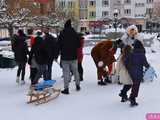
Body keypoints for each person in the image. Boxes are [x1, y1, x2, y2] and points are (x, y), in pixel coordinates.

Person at [57, 19, 80, 94]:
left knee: (66, 73)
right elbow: (79, 44)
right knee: (76, 71)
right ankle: (77, 85)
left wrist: (60, 51)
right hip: (74, 56)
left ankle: (66, 89)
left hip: (65, 57)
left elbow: (58, 45)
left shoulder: (62, 33)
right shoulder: (75, 33)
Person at [124, 40, 149, 107]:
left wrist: (129, 68)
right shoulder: (141, 54)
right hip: (138, 72)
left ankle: (130, 96)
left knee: (134, 84)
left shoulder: (131, 53)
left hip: (131, 72)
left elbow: (125, 61)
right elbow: (145, 64)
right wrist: (148, 67)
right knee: (136, 85)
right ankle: (132, 98)